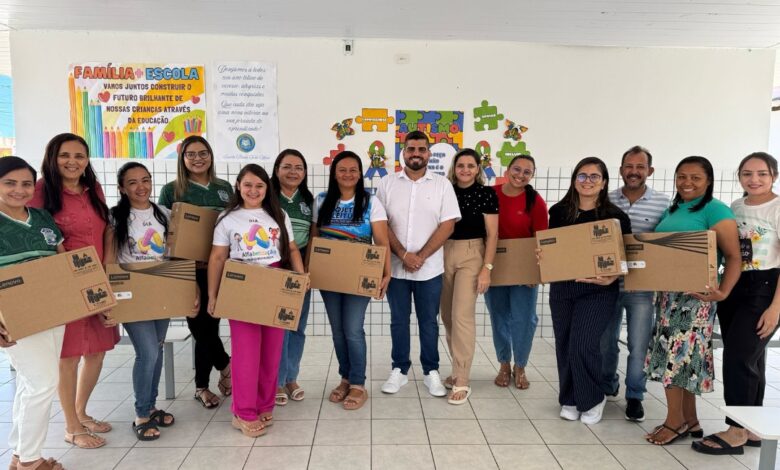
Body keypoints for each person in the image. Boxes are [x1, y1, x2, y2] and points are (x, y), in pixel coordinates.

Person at [644, 156, 741, 445]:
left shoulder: (716, 210)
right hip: (666, 297)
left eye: (695, 177)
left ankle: (674, 423)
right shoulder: (675, 208)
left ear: (708, 181)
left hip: (694, 300)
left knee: (675, 359)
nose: (687, 182)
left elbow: (734, 256)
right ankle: (691, 421)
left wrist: (723, 292)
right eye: (682, 176)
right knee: (682, 360)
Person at [30, 133, 118, 449]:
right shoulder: (41, 192)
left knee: (96, 350)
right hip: (64, 284)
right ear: (52, 158)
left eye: (79, 156)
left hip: (96, 281)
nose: (72, 162)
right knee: (67, 356)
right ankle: (70, 426)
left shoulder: (91, 189)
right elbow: (36, 237)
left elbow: (107, 229)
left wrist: (108, 274)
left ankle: (81, 413)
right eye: (65, 155)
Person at [206, 164, 306, 437]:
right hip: (242, 286)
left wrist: (301, 279)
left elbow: (293, 248)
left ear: (267, 188)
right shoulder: (227, 219)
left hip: (274, 282)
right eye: (248, 184)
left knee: (272, 351)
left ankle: (264, 405)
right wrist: (213, 295)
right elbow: (217, 258)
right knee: (247, 353)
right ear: (238, 185)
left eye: (259, 186)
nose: (253, 190)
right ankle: (243, 412)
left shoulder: (278, 214)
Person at [104, 162, 197, 441]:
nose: (140, 187)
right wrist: (107, 298)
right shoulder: (115, 218)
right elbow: (110, 259)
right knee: (148, 353)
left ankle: (152, 405)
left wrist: (190, 290)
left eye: (145, 180)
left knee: (156, 347)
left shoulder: (164, 214)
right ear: (122, 187)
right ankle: (141, 414)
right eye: (132, 182)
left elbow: (178, 255)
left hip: (162, 289)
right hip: (133, 294)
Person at [692, 153, 776, 455]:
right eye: (747, 173)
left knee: (739, 358)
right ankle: (751, 427)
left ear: (774, 177)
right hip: (736, 285)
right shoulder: (736, 207)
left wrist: (775, 308)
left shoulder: (778, 207)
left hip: (765, 289)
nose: (754, 179)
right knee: (750, 359)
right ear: (739, 176)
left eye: (762, 174)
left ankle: (736, 430)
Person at [542, 157, 632, 425]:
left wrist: (613, 275)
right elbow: (552, 247)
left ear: (604, 183)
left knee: (584, 344)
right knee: (565, 344)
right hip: (563, 287)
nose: (588, 181)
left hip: (599, 290)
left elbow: (626, 256)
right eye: (582, 176)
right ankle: (569, 397)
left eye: (594, 177)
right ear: (574, 180)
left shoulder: (615, 217)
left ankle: (593, 397)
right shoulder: (559, 212)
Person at [376, 131, 461, 397]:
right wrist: (403, 254)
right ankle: (399, 370)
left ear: (428, 154)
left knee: (429, 322)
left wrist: (420, 256)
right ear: (403, 151)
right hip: (397, 268)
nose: (416, 153)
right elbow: (381, 224)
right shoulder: (387, 183)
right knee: (398, 320)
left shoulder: (442, 185)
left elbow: (448, 224)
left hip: (430, 269)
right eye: (411, 148)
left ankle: (430, 371)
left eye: (421, 149)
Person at [0, 157, 67, 470]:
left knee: (31, 383)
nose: (19, 190)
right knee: (43, 383)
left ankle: (19, 454)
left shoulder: (41, 217)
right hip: (14, 316)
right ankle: (31, 462)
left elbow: (62, 261)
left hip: (54, 309)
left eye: (26, 183)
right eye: (10, 183)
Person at [158, 136, 233, 409]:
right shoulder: (171, 191)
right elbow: (164, 232)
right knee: (199, 328)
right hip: (186, 270)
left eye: (203, 153)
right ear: (183, 158)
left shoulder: (224, 189)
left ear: (211, 156)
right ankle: (223, 369)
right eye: (191, 154)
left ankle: (203, 385)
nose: (198, 158)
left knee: (209, 325)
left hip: (216, 268)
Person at [312, 151, 391, 410]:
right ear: (334, 173)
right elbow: (314, 239)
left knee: (353, 329)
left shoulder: (371, 201)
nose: (348, 174)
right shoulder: (321, 201)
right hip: (329, 274)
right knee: (337, 330)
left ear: (360, 173)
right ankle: (345, 378)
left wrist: (385, 273)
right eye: (342, 170)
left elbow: (381, 241)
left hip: (359, 273)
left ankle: (358, 384)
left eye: (353, 170)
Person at [599, 146, 670, 422]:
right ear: (620, 170)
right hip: (606, 285)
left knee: (639, 345)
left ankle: (635, 396)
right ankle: (607, 386)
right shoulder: (605, 200)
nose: (634, 171)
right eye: (629, 166)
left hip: (642, 287)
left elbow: (666, 245)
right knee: (606, 343)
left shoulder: (663, 204)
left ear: (649, 171)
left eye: (640, 167)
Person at [441, 148, 498, 405]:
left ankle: (462, 378)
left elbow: (493, 234)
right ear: (454, 167)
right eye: (461, 165)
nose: (465, 170)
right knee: (447, 316)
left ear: (478, 169)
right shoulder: (445, 189)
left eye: (470, 166)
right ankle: (456, 369)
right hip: (442, 252)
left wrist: (487, 268)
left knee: (462, 316)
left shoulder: (486, 194)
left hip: (472, 253)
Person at [485, 155, 548, 390]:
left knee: (525, 320)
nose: (520, 175)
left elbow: (541, 241)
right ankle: (504, 364)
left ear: (532, 175)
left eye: (527, 172)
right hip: (495, 266)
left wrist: (536, 273)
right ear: (508, 169)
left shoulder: (535, 201)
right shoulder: (491, 194)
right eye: (517, 169)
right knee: (498, 317)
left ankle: (520, 366)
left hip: (524, 269)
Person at [271, 150, 314, 406]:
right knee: (279, 327)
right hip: (275, 269)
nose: (293, 172)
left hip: (301, 270)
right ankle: (275, 380)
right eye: (287, 167)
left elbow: (313, 237)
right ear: (277, 170)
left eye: (299, 167)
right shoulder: (267, 197)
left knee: (297, 327)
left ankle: (291, 378)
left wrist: (306, 271)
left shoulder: (308, 201)